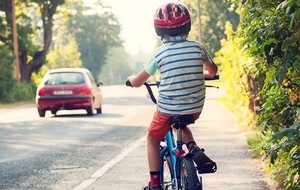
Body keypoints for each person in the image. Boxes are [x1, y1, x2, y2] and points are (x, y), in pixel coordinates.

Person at [127, 2, 218, 190]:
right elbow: (213, 69)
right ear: (187, 24)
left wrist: (131, 79)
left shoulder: (159, 54)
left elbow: (137, 82)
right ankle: (192, 148)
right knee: (182, 122)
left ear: (158, 30)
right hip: (194, 108)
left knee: (152, 138)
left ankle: (155, 184)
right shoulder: (198, 47)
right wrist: (206, 75)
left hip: (168, 109)